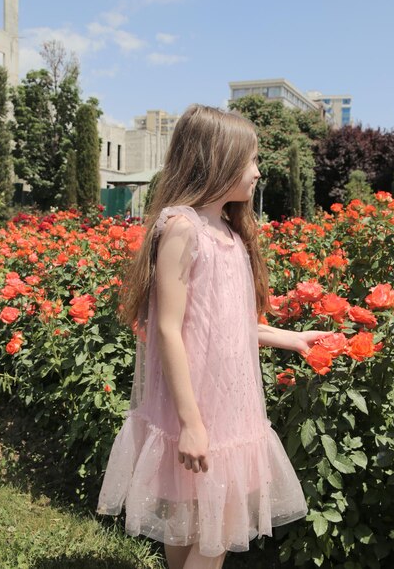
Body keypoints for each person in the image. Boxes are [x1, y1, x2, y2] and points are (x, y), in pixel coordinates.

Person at [97, 105, 330, 569]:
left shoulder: (228, 232)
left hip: (230, 405)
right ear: (216, 159)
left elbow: (225, 326)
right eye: (251, 160)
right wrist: (191, 423)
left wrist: (293, 337)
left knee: (196, 525)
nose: (258, 172)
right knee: (215, 532)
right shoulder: (183, 228)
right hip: (200, 408)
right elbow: (168, 327)